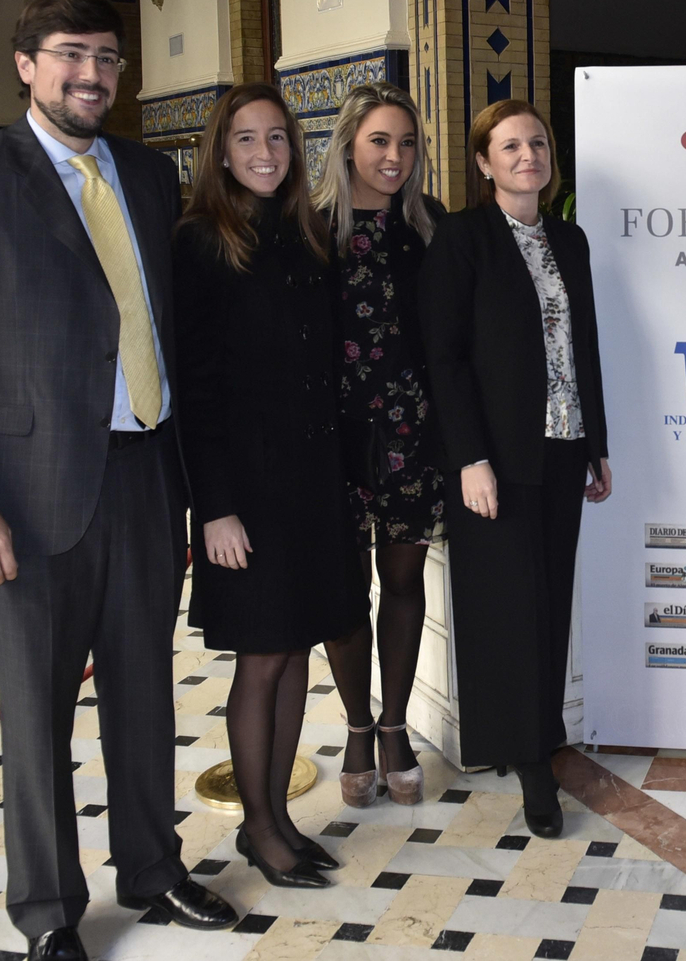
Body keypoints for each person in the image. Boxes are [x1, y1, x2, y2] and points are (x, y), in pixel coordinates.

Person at [0, 0, 238, 961]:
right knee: (36, 713)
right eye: (73, 54)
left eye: (110, 58)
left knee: (145, 692)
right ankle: (47, 913)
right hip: (27, 501)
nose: (94, 74)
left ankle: (155, 870)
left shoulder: (146, 173)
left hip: (143, 479)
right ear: (26, 64)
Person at [174, 82, 351, 889]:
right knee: (262, 656)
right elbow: (195, 387)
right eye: (247, 139)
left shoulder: (305, 233)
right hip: (244, 490)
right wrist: (213, 507)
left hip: (312, 482)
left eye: (277, 138)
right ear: (220, 151)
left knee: (297, 650)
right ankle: (258, 828)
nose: (264, 153)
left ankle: (277, 818)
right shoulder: (200, 242)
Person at [419, 99, 611, 839]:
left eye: (537, 142)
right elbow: (446, 356)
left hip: (563, 448)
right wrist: (470, 457)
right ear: (484, 162)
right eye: (510, 145)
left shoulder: (570, 237)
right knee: (506, 605)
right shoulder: (463, 239)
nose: (527, 154)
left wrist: (597, 442)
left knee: (548, 599)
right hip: (495, 458)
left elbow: (583, 343)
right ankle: (530, 759)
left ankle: (536, 731)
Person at [310, 83, 445, 808]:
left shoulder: (429, 227)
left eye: (406, 143)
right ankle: (358, 727)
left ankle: (396, 727)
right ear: (348, 146)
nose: (395, 157)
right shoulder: (310, 226)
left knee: (401, 582)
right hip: (330, 438)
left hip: (411, 432)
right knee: (342, 593)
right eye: (380, 142)